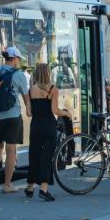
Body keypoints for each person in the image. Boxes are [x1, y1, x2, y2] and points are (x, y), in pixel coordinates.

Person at [0, 46, 30, 194]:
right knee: (11, 149)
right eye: (18, 59)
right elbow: (25, 97)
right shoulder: (19, 75)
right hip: (12, 117)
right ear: (15, 59)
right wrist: (29, 111)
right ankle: (7, 185)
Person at [25, 63, 72, 201]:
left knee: (34, 155)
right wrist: (67, 114)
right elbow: (55, 111)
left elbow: (28, 113)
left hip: (36, 126)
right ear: (47, 74)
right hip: (49, 126)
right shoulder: (53, 89)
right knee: (46, 157)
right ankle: (44, 190)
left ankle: (30, 187)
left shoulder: (30, 91)